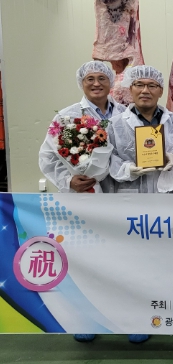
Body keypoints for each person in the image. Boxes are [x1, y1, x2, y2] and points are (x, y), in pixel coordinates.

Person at [38, 60, 125, 343]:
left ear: (111, 82)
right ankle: (86, 319)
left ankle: (127, 318)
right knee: (85, 260)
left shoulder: (125, 114)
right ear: (81, 83)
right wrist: (68, 181)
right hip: (84, 198)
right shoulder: (67, 117)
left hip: (121, 197)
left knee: (122, 259)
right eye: (90, 79)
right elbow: (47, 158)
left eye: (102, 78)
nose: (96, 83)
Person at [108, 66, 173, 197]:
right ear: (131, 89)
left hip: (169, 194)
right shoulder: (114, 124)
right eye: (139, 85)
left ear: (161, 91)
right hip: (132, 196)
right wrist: (128, 169)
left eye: (152, 86)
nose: (145, 90)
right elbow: (110, 158)